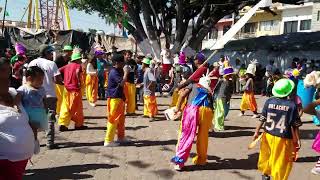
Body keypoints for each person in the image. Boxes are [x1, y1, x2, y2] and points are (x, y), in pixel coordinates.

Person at [253, 78, 302, 180]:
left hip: (268, 135)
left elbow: (262, 118)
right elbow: (295, 125)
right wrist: (297, 139)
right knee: (280, 160)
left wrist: (256, 131)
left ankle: (265, 175)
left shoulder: (269, 101)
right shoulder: (292, 106)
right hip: (283, 138)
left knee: (267, 155)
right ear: (289, 91)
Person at [0, 57, 35, 180]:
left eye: (7, 78)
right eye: (2, 79)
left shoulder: (14, 93)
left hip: (21, 160)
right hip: (4, 161)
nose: (7, 81)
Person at [171, 72, 214, 171]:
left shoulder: (193, 85)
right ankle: (201, 160)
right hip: (207, 112)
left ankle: (179, 162)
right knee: (203, 137)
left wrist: (177, 108)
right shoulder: (209, 92)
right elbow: (212, 106)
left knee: (187, 135)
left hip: (192, 110)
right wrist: (210, 122)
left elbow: (182, 95)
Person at [28, 44, 63, 149]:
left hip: (34, 95)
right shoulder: (51, 64)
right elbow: (57, 80)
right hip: (49, 95)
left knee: (33, 119)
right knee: (50, 119)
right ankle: (49, 143)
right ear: (46, 53)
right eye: (51, 53)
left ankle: (33, 142)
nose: (52, 55)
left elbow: (27, 78)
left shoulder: (32, 63)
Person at [17, 66, 46, 155]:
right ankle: (32, 143)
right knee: (30, 130)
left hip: (38, 114)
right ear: (29, 78)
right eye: (39, 79)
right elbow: (17, 100)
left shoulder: (42, 89)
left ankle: (33, 141)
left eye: (42, 79)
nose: (41, 82)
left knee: (34, 130)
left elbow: (43, 100)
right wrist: (17, 108)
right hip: (27, 114)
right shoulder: (23, 89)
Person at [58, 48, 87, 131]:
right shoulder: (78, 66)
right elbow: (78, 72)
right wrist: (78, 81)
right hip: (75, 89)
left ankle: (65, 123)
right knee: (75, 108)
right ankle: (73, 124)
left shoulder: (67, 66)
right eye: (80, 60)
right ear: (77, 60)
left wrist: (62, 80)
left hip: (66, 89)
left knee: (65, 106)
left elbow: (58, 71)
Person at [104, 54, 127, 147]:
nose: (124, 64)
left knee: (121, 120)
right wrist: (126, 73)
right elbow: (121, 83)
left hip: (119, 97)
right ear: (117, 63)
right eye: (122, 63)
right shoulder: (114, 72)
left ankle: (121, 137)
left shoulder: (118, 70)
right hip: (114, 99)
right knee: (113, 120)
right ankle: (108, 140)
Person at [213, 67, 234, 131]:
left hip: (226, 98)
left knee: (225, 111)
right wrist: (213, 96)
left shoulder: (230, 82)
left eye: (231, 75)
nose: (230, 76)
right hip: (220, 97)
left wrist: (229, 98)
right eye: (229, 75)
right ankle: (219, 126)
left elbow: (230, 91)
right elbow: (216, 89)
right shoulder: (221, 81)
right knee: (220, 112)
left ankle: (218, 123)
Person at [54, 45, 73, 115]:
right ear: (65, 51)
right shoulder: (59, 58)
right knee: (59, 96)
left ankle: (64, 110)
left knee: (65, 96)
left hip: (66, 79)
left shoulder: (69, 59)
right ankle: (58, 112)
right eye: (70, 51)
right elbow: (55, 69)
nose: (71, 52)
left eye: (71, 51)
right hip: (58, 80)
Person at [123, 50, 137, 115]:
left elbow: (135, 70)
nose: (129, 56)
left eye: (130, 55)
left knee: (132, 97)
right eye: (127, 55)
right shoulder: (122, 62)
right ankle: (124, 110)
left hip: (131, 82)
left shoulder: (133, 62)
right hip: (125, 82)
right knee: (125, 98)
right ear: (124, 55)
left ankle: (131, 111)